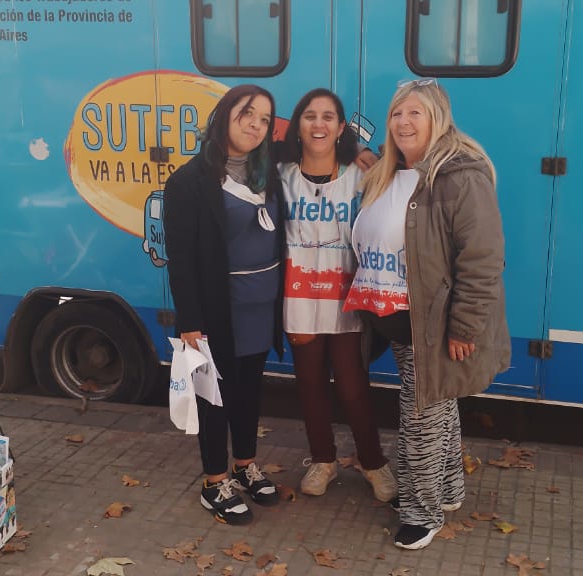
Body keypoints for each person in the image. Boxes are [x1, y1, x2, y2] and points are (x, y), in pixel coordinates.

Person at [343, 79, 510, 550]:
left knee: (420, 416)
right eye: (397, 113)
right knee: (437, 404)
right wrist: (357, 149)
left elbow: (482, 258)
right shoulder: (390, 171)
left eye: (415, 112)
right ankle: (449, 490)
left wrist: (464, 327)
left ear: (438, 118)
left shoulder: (459, 176)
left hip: (434, 325)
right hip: (396, 319)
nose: (403, 122)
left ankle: (422, 511)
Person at [164, 84, 284, 526]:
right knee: (214, 398)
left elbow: (320, 141)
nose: (256, 124)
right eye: (247, 113)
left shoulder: (267, 174)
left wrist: (359, 152)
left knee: (249, 391)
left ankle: (244, 465)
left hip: (259, 306)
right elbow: (181, 258)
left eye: (265, 118)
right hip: (217, 310)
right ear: (223, 117)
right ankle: (214, 482)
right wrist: (190, 321)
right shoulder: (189, 181)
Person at [277, 88, 396, 502]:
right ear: (298, 124)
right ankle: (323, 460)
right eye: (310, 116)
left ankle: (373, 462)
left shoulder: (361, 175)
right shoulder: (281, 176)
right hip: (298, 299)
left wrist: (363, 151)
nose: (319, 124)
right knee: (309, 384)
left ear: (341, 127)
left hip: (347, 299)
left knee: (351, 385)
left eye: (328, 117)